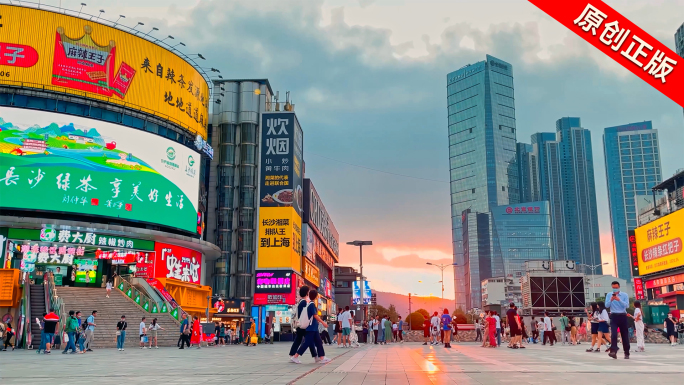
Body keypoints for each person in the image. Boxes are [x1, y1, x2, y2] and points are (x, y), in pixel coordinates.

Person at [291, 290, 331, 364]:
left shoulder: (309, 304)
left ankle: (321, 357)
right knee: (306, 343)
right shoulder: (311, 304)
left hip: (313, 328)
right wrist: (323, 322)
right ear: (316, 297)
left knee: (319, 342)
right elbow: (315, 315)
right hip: (311, 328)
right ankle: (295, 356)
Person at [289, 286, 317, 359]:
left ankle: (292, 354)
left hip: (300, 325)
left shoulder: (301, 302)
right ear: (307, 292)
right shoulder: (304, 302)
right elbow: (304, 315)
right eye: (308, 291)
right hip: (303, 325)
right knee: (308, 340)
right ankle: (315, 356)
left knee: (299, 340)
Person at [605, 281, 630, 359]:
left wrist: (619, 300)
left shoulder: (624, 295)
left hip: (622, 316)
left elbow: (627, 306)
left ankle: (626, 352)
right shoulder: (609, 295)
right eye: (613, 288)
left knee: (624, 335)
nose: (614, 289)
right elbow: (606, 305)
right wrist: (611, 300)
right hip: (614, 316)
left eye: (616, 287)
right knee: (614, 334)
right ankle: (613, 351)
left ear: (619, 287)